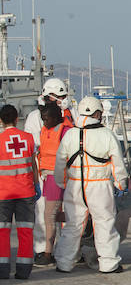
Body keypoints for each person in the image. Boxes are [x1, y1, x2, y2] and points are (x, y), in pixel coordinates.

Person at [54, 96, 128, 274]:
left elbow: (60, 163)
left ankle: (64, 263)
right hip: (100, 185)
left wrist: (62, 183)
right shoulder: (107, 134)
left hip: (75, 185)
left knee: (72, 225)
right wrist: (121, 183)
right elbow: (117, 162)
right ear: (97, 113)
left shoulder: (70, 134)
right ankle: (109, 263)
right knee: (104, 223)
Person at [23, 77, 73, 264]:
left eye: (63, 96)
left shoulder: (71, 114)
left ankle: (65, 249)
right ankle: (42, 249)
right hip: (46, 174)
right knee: (44, 212)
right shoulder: (35, 118)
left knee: (68, 213)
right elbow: (34, 146)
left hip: (68, 174)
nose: (62, 99)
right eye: (58, 96)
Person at [0, 105, 38, 280]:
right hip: (26, 192)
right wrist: (37, 185)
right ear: (17, 119)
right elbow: (33, 164)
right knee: (25, 231)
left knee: (2, 232)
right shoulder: (28, 138)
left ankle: (2, 270)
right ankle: (23, 271)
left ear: (1, 121)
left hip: (3, 194)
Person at [34, 102, 72, 266]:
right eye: (42, 119)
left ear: (56, 118)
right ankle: (63, 251)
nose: (44, 122)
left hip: (61, 179)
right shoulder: (46, 130)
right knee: (55, 216)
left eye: (47, 119)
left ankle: (49, 253)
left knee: (51, 216)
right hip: (49, 178)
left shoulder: (66, 132)